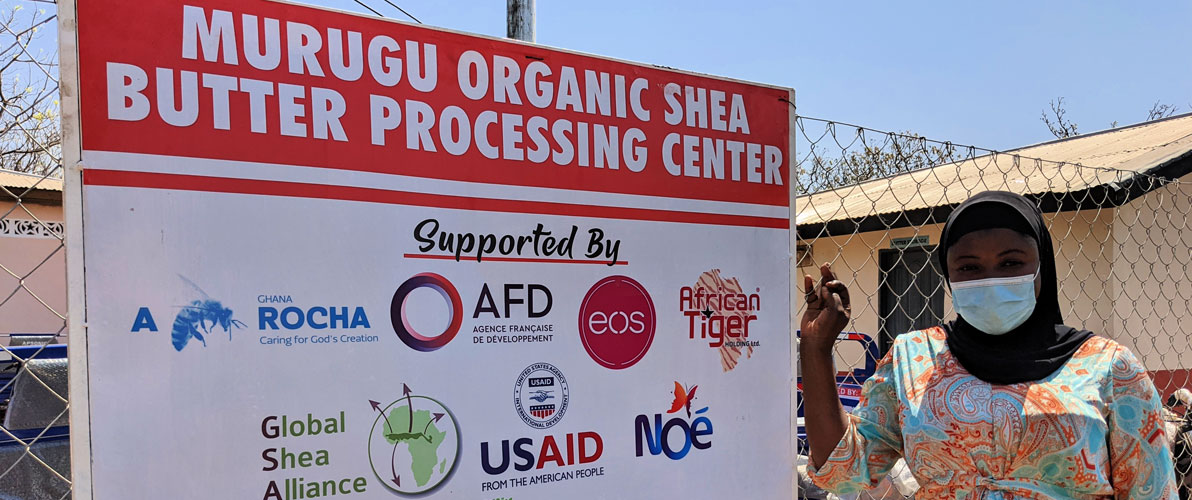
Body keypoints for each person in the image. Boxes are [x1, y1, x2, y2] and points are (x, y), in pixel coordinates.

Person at [800, 191, 1179, 499]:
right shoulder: (913, 359)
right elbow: (844, 473)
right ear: (948, 275)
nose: (990, 279)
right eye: (969, 268)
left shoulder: (1110, 367)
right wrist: (816, 348)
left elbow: (1152, 491)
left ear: (1041, 266)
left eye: (1011, 263)